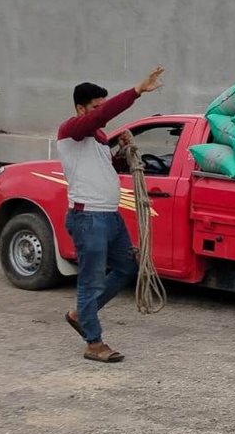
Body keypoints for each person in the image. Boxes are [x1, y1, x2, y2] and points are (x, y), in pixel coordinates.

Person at [59, 66, 165, 364]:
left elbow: (105, 168)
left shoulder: (97, 138)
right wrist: (137, 91)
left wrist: (121, 150)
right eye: (96, 108)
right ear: (80, 109)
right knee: (90, 281)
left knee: (126, 268)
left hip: (109, 216)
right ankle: (93, 342)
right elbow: (100, 118)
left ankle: (81, 314)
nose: (101, 113)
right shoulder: (71, 130)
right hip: (89, 218)